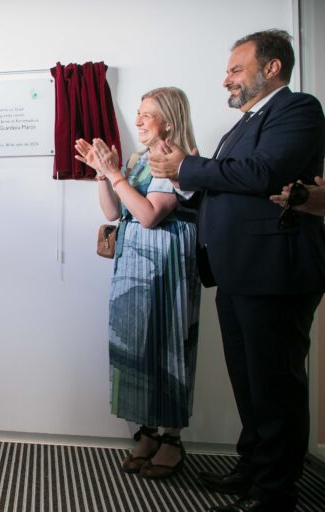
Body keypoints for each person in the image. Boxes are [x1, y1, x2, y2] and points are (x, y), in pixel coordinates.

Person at [149, 30, 325, 512]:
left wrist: (186, 167)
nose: (226, 79)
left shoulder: (297, 109)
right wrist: (183, 182)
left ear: (271, 68)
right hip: (238, 273)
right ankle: (251, 470)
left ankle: (274, 495)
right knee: (250, 386)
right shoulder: (242, 125)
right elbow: (228, 188)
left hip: (276, 272)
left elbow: (262, 174)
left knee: (275, 390)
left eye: (235, 69)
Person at [75, 87, 200, 480]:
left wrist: (115, 174)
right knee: (137, 345)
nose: (139, 120)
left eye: (148, 114)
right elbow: (114, 211)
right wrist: (102, 174)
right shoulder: (136, 160)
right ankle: (147, 431)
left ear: (169, 121)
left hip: (168, 266)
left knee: (169, 347)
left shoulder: (179, 160)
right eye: (139, 112)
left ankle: (172, 438)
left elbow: (149, 215)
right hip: (133, 266)